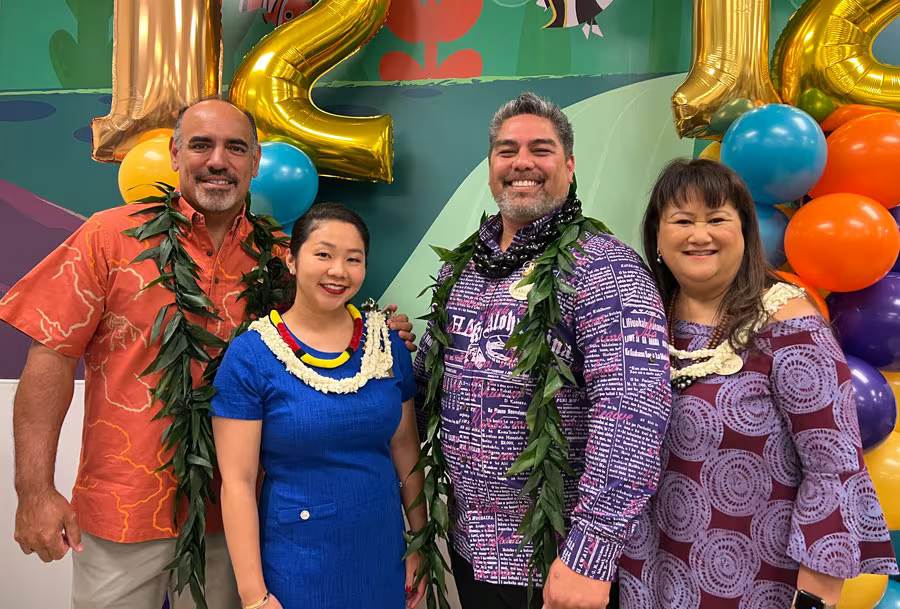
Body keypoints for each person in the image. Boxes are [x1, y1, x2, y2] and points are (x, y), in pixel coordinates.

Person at [0, 97, 415, 609]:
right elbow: (51, 359)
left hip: (234, 520)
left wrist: (379, 331)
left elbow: (326, 325)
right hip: (123, 509)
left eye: (235, 148)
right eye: (201, 145)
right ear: (174, 154)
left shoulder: (279, 256)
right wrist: (35, 491)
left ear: (255, 162)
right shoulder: (107, 239)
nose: (218, 160)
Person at [413, 92, 672, 609]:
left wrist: (590, 554)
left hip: (559, 563)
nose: (522, 163)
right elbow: (425, 384)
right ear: (491, 167)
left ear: (569, 166)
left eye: (542, 149)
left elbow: (634, 410)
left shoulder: (606, 267)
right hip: (470, 550)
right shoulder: (461, 268)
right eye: (507, 150)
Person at [618, 158, 898, 609]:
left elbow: (833, 465)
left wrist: (814, 595)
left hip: (757, 582)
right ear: (656, 236)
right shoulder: (644, 317)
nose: (699, 235)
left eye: (716, 218)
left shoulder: (788, 323)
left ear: (745, 230)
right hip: (648, 575)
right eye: (682, 220)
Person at [210, 202, 427, 609]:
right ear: (291, 260)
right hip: (298, 562)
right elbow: (237, 483)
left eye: (353, 259)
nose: (338, 271)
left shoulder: (385, 346)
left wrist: (419, 542)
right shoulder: (253, 355)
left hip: (382, 556)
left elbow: (405, 450)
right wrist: (253, 594)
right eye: (323, 254)